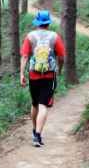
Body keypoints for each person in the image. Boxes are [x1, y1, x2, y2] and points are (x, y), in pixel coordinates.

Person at [20, 10, 66, 147]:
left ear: (37, 23)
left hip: (33, 75)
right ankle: (38, 135)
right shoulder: (54, 37)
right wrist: (59, 69)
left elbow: (24, 56)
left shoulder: (30, 37)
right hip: (49, 76)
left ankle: (34, 131)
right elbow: (62, 56)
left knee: (34, 104)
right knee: (43, 105)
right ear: (48, 23)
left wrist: (21, 73)